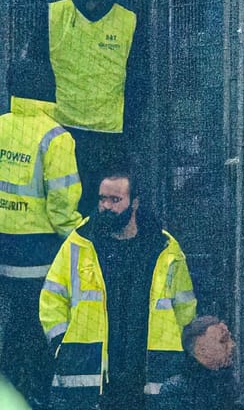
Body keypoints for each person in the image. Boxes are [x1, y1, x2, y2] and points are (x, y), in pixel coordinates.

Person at [39, 172, 196, 410]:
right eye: (102, 199)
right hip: (91, 368)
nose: (106, 206)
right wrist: (62, 343)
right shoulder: (80, 243)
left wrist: (184, 349)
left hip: (146, 369)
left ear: (135, 202)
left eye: (115, 200)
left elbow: (184, 305)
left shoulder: (164, 248)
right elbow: (52, 297)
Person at [25, 0, 143, 197]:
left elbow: (139, 79)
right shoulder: (53, 15)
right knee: (65, 199)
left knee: (105, 203)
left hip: (110, 136)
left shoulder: (128, 20)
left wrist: (129, 124)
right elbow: (35, 72)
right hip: (62, 130)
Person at [0, 57, 83, 405]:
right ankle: (34, 399)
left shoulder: (2, 126)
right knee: (37, 336)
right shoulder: (56, 137)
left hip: (4, 252)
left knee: (11, 333)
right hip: (39, 257)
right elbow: (62, 210)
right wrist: (83, 236)